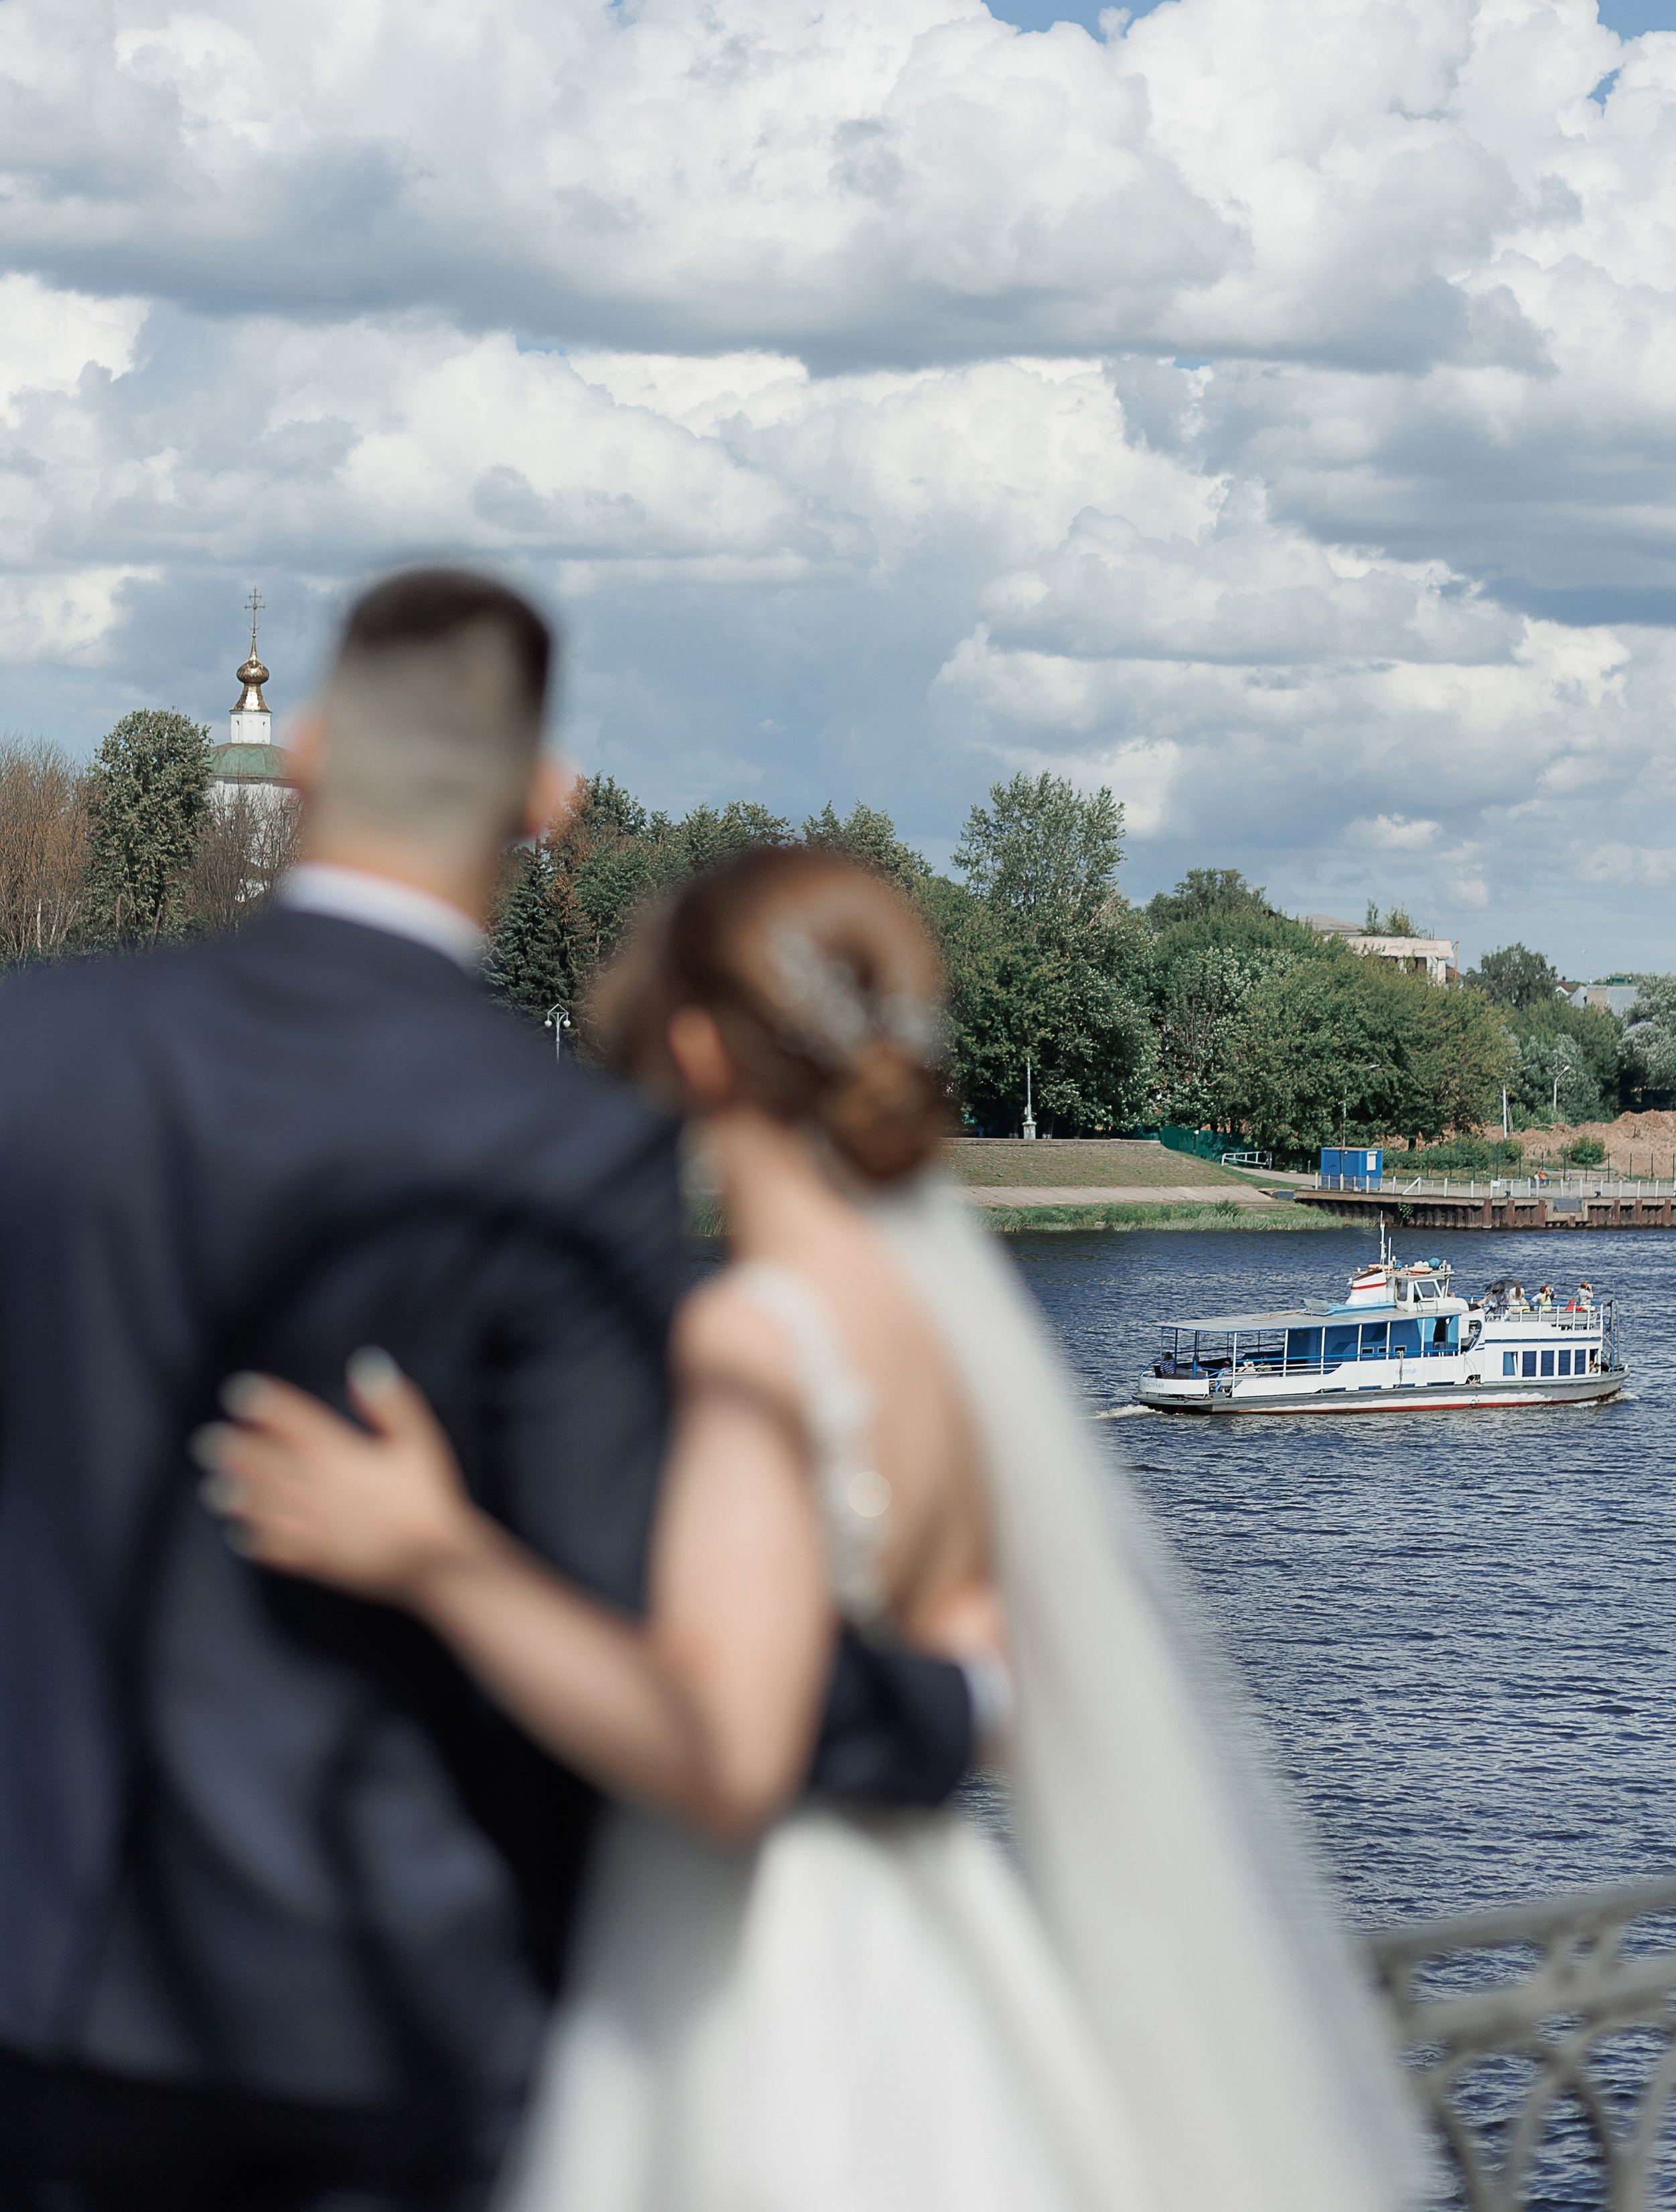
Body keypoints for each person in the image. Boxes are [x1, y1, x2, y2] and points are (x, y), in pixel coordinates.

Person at [204, 847, 1422, 2212]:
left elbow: (729, 1756)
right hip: (934, 1948)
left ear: (695, 1049)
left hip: (758, 1987)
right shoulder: (940, 1328)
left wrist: (434, 1552)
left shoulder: (753, 1335)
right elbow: (983, 1676)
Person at [0, 573, 973, 2212]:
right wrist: (957, 1703)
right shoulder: (565, 1149)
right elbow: (645, 1636)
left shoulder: (34, 1053)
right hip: (376, 2033)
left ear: (297, 755)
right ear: (545, 802)